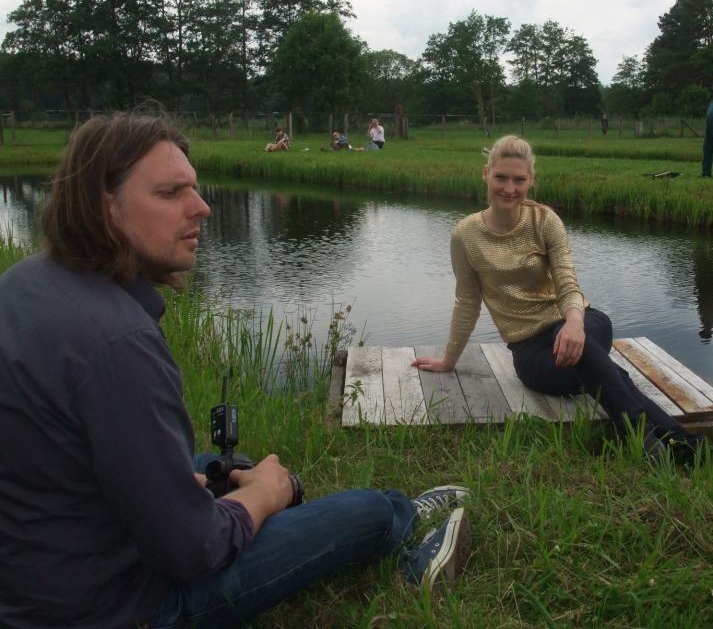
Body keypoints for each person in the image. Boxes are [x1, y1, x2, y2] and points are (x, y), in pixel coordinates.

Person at [0, 111, 471, 629]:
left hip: (39, 567)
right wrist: (263, 496)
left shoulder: (25, 281)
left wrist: (201, 489)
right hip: (121, 606)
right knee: (363, 512)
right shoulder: (118, 341)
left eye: (194, 188)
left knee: (213, 467)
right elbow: (192, 550)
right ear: (101, 206)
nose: (201, 207)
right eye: (170, 193)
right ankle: (401, 521)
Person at [411, 135, 707, 463]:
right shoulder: (465, 235)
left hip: (582, 323)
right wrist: (449, 359)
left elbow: (567, 282)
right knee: (602, 369)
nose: (509, 188)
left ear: (531, 180)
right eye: (501, 177)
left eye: (519, 180)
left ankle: (639, 431)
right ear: (486, 174)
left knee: (579, 344)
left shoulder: (545, 220)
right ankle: (686, 446)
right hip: (532, 353)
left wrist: (574, 322)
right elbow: (467, 301)